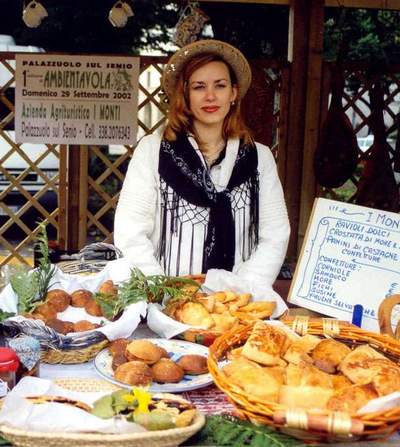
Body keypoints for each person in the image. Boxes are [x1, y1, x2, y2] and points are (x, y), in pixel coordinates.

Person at [114, 39, 290, 306]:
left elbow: (275, 234)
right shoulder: (152, 151)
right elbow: (130, 232)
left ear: (233, 93)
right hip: (165, 305)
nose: (210, 96)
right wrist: (165, 295)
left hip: (236, 306)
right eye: (199, 87)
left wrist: (240, 293)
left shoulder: (259, 158)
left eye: (220, 85)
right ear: (185, 95)